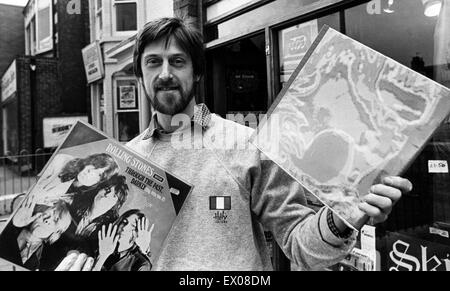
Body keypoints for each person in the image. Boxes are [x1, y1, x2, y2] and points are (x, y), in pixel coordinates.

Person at [57, 17, 413, 271]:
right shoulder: (125, 160)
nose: (165, 73)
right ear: (140, 75)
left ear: (196, 71)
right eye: (153, 62)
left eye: (177, 62)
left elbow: (302, 248)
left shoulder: (247, 145)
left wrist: (340, 220)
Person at [0, 193, 72, 271]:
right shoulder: (10, 229)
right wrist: (14, 223)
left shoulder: (45, 260)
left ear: (57, 231)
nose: (47, 220)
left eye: (55, 220)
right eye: (46, 214)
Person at [35, 153, 120, 206]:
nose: (90, 172)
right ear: (89, 161)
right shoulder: (62, 160)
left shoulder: (82, 201)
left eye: (99, 174)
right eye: (94, 165)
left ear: (100, 182)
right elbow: (33, 187)